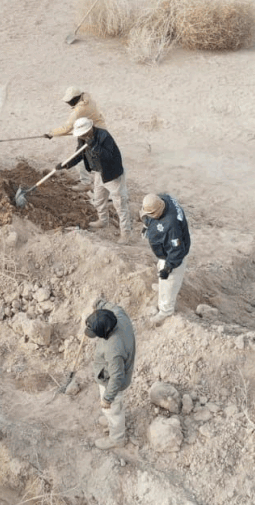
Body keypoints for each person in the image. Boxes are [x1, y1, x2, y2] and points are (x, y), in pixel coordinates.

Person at [57, 118, 132, 241]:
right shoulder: (82, 138)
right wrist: (65, 164)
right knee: (98, 200)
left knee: (120, 204)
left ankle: (125, 233)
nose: (82, 136)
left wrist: (94, 146)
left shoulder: (104, 136)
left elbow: (108, 156)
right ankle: (103, 221)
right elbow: (79, 154)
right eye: (80, 135)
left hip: (112, 175)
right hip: (98, 173)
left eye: (84, 134)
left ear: (90, 129)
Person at [85, 299, 136, 449]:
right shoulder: (120, 317)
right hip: (113, 371)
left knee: (113, 410)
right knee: (112, 411)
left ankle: (117, 439)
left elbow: (117, 377)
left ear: (105, 332)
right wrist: (100, 304)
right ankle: (111, 421)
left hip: (112, 383)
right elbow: (115, 307)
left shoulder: (113, 350)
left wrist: (107, 398)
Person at [141, 193, 190, 327]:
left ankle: (165, 310)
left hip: (173, 256)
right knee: (161, 270)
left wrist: (169, 267)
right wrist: (147, 226)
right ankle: (163, 287)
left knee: (169, 279)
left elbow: (177, 251)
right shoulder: (163, 199)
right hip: (165, 252)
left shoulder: (171, 225)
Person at [45, 87, 106, 189]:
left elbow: (66, 128)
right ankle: (86, 182)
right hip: (94, 129)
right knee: (84, 156)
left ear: (75, 98)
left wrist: (51, 133)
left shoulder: (79, 110)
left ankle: (90, 185)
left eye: (69, 101)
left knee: (91, 159)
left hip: (92, 134)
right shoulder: (89, 100)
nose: (68, 103)